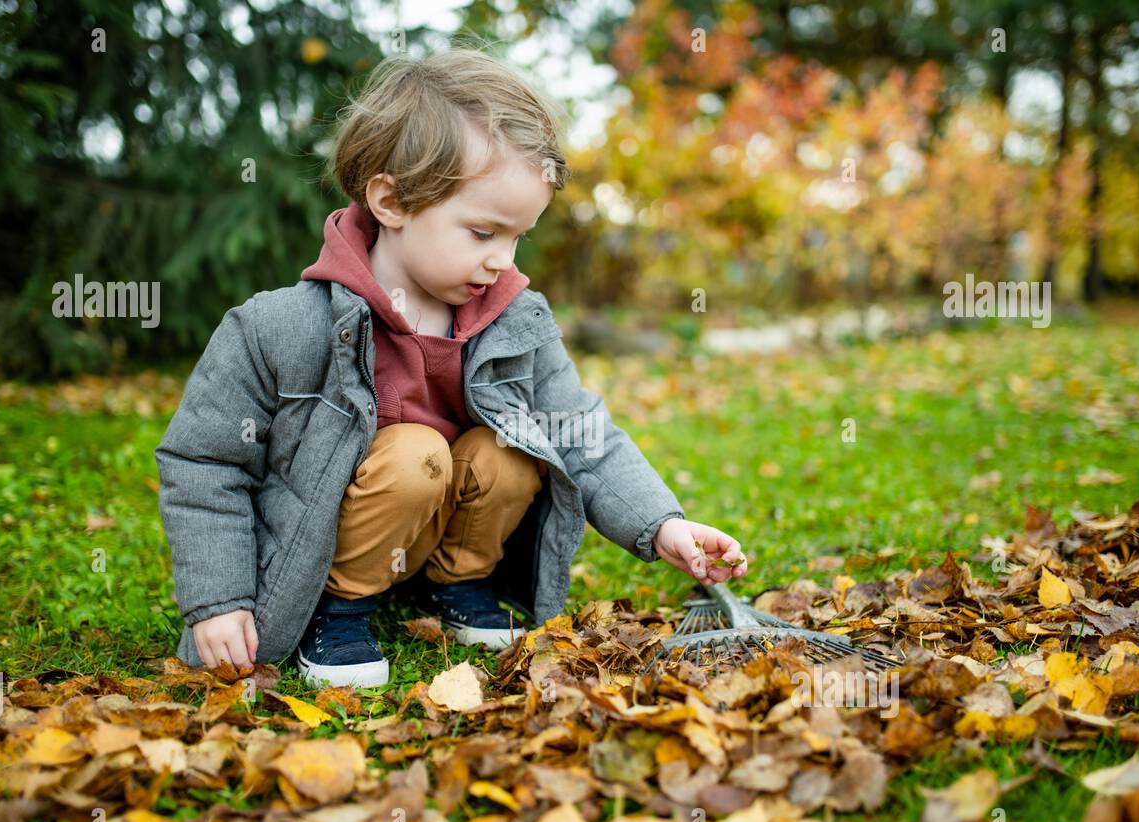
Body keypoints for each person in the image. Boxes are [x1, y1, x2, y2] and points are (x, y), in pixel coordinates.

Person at [154, 47, 748, 689]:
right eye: (483, 232)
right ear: (392, 201)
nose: (503, 260)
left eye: (518, 236)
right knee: (415, 453)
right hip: (327, 544)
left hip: (432, 538)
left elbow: (580, 432)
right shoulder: (281, 328)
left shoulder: (514, 321)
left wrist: (662, 523)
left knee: (514, 449)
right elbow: (205, 463)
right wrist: (220, 601)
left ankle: (457, 582)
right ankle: (341, 606)